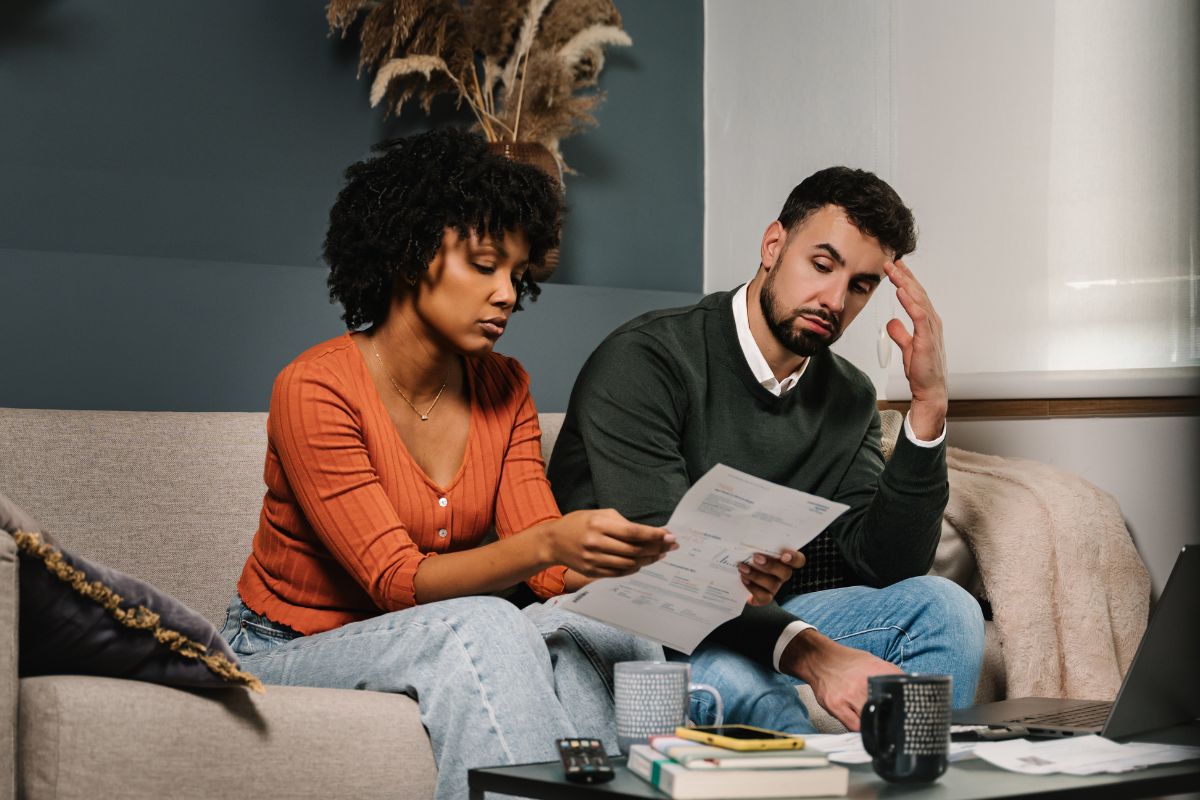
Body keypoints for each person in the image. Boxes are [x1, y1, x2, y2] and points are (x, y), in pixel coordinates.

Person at [220, 128, 695, 800]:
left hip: (430, 632)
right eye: (484, 265)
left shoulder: (505, 386)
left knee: (608, 625)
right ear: (411, 253)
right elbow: (397, 581)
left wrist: (678, 573)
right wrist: (551, 542)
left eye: (517, 276)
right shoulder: (315, 389)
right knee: (485, 622)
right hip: (285, 646)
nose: (507, 294)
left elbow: (551, 570)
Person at [548, 166, 986, 734]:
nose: (834, 299)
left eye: (860, 285)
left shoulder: (849, 395)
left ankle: (915, 774)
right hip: (642, 621)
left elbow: (886, 566)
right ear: (773, 245)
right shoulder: (647, 359)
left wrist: (928, 406)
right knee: (747, 684)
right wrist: (814, 656)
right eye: (822, 265)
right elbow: (666, 573)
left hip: (762, 615)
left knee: (947, 608)